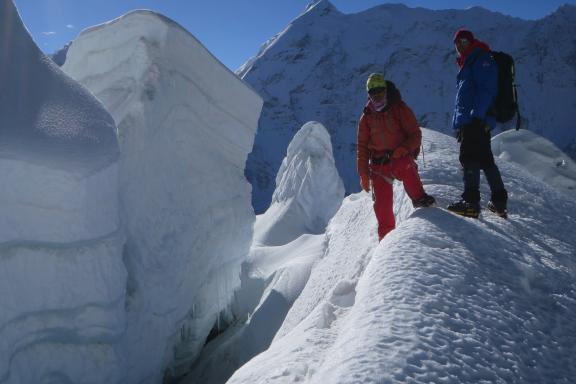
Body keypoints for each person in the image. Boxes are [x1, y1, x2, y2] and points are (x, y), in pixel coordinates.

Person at [357, 73, 435, 241]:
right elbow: (362, 147)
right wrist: (363, 173)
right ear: (368, 94)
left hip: (398, 157)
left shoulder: (399, 109)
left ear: (385, 90)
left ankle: (419, 198)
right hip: (378, 166)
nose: (376, 95)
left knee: (406, 166)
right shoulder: (367, 117)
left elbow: (415, 134)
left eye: (379, 90)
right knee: (382, 208)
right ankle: (386, 242)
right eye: (372, 92)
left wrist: (404, 149)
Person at [448, 29, 508, 219]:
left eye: (463, 41)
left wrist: (476, 116)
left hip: (475, 119)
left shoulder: (481, 59)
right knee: (485, 159)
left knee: (469, 158)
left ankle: (471, 202)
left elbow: (487, 89)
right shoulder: (468, 62)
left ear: (471, 42)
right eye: (456, 43)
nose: (459, 45)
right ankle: (499, 203)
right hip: (473, 119)